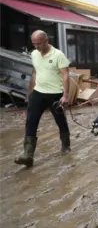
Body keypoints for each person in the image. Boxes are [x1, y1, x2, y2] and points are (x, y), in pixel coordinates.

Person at [14, 30, 71, 168]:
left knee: (60, 121)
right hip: (38, 93)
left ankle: (66, 146)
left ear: (46, 41)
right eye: (34, 44)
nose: (36, 47)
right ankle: (28, 155)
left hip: (55, 94)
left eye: (38, 43)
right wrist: (30, 91)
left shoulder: (58, 55)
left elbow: (65, 75)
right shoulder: (34, 54)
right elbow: (35, 72)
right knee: (31, 121)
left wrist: (65, 95)